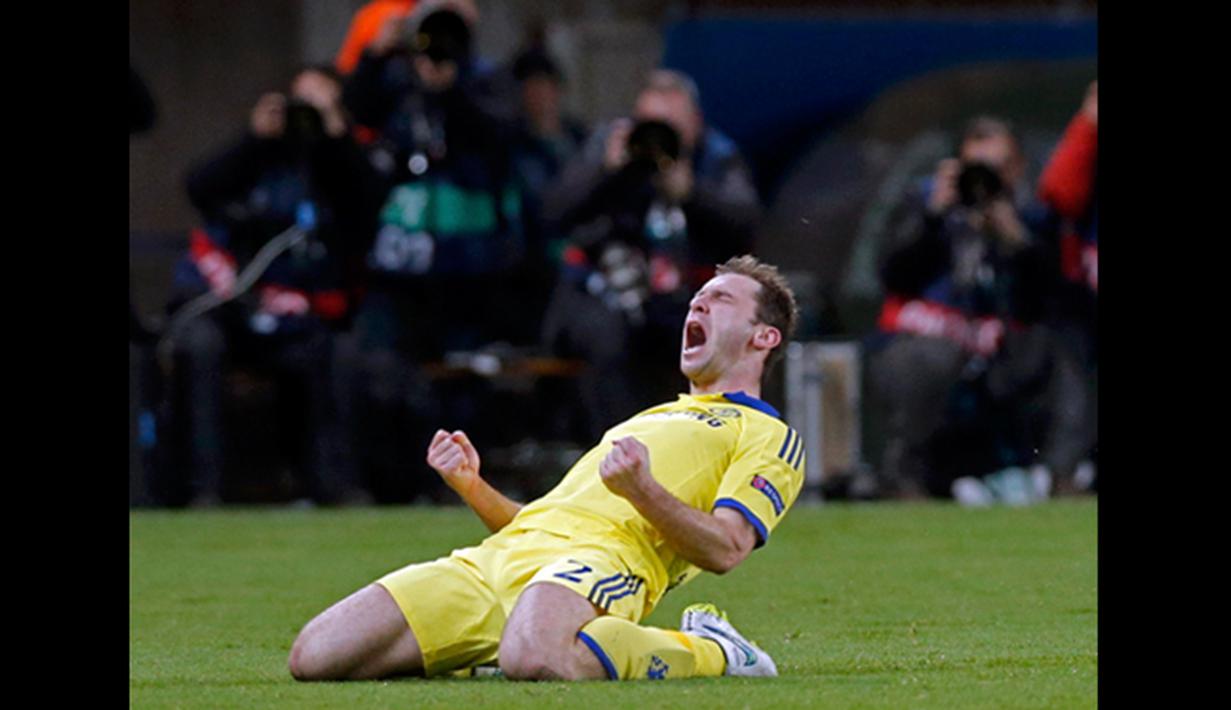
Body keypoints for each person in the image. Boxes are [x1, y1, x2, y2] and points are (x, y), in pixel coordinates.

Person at [289, 255, 803, 682]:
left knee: (535, 658)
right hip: (505, 555)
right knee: (317, 657)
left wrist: (643, 490)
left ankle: (713, 651)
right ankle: (499, 646)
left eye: (721, 299)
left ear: (764, 338)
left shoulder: (767, 434)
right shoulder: (654, 417)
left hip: (605, 560)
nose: (698, 302)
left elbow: (727, 548)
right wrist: (472, 487)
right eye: (698, 297)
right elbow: (541, 522)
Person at [162, 66, 381, 507]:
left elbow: (366, 203)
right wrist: (254, 138)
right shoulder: (258, 159)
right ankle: (204, 491)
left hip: (305, 318)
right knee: (200, 344)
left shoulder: (338, 168)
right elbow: (199, 188)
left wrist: (335, 134)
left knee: (334, 354)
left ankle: (333, 488)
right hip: (239, 310)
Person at [869, 116, 1092, 501]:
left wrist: (1017, 240)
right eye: (977, 168)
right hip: (930, 346)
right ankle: (904, 480)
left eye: (998, 168)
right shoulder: (923, 201)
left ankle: (1063, 476)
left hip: (1005, 354)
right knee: (924, 360)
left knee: (1069, 348)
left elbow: (1051, 298)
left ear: (1017, 168)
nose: (985, 181)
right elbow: (891, 274)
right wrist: (933, 217)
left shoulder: (1033, 214)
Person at [540, 69, 762, 440]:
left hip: (679, 299)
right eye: (650, 125)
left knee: (714, 338)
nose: (659, 139)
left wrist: (692, 193)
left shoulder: (715, 158)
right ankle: (615, 460)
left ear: (694, 123)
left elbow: (746, 226)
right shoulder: (609, 149)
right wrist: (604, 171)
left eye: (671, 126)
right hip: (599, 296)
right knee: (608, 337)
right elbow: (551, 213)